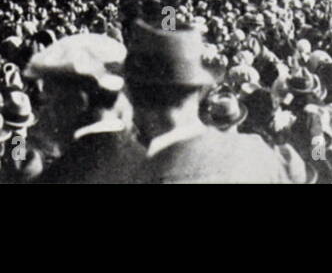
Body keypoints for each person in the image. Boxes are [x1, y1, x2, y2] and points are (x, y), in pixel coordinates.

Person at [124, 21, 300, 184]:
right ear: (198, 89)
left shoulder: (145, 175)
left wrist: (319, 156)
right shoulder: (259, 151)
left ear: (137, 99)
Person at [26, 34, 145, 184]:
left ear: (78, 101)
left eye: (51, 101)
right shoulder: (153, 162)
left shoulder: (58, 177)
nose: (47, 112)